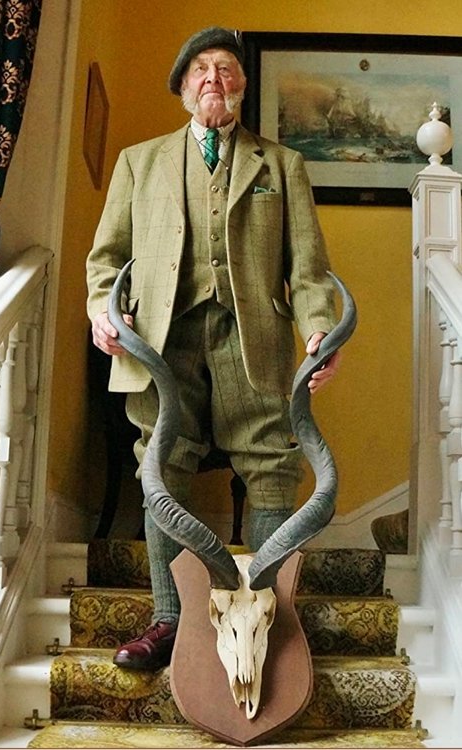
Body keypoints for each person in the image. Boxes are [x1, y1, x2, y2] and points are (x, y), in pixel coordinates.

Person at [86, 26, 341, 672]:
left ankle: (267, 617)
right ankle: (170, 620)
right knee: (162, 460)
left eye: (225, 69)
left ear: (242, 85)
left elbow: (309, 270)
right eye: (201, 70)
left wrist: (320, 330)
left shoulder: (281, 165)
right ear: (183, 88)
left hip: (252, 337)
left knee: (273, 463)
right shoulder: (139, 163)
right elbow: (106, 259)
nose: (213, 79)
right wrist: (101, 312)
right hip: (162, 339)